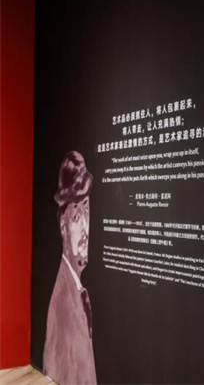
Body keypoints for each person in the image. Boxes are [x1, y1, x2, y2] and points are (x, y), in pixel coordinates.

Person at [43, 151, 97, 384]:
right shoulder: (64, 306)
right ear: (63, 227)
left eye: (86, 210)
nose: (84, 228)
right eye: (76, 217)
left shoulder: (74, 291)